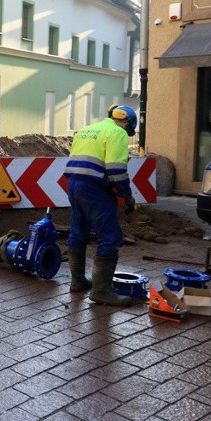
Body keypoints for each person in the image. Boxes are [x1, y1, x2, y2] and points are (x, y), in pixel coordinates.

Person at [63, 105, 138, 306]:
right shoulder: (118, 133)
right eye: (129, 130)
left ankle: (77, 281)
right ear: (127, 123)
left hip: (74, 185)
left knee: (78, 232)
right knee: (111, 236)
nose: (127, 134)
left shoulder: (87, 130)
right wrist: (127, 196)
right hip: (95, 189)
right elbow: (116, 169)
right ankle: (101, 290)